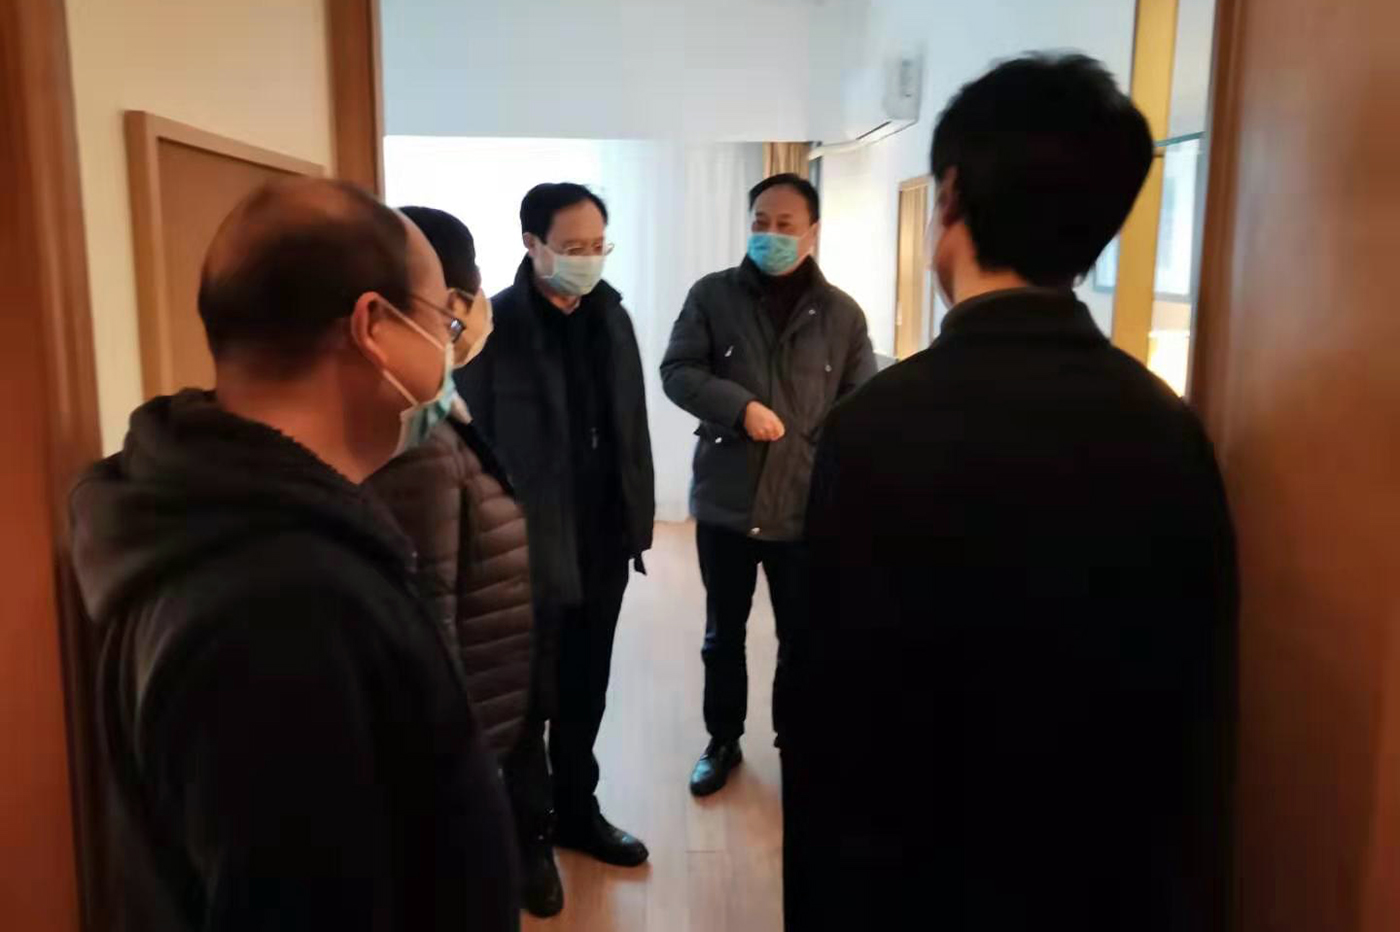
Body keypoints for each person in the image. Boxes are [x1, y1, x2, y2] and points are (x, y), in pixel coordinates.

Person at [783, 55, 1237, 930]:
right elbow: (1195, 716)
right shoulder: (1168, 429)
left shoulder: (877, 427)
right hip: (1107, 882)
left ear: (950, 195)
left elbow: (829, 709)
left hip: (916, 880)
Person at [70, 179, 518, 932]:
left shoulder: (221, 515)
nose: (448, 349)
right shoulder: (282, 609)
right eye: (441, 321)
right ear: (373, 326)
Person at [457, 182, 655, 911]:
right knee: (527, 702)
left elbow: (631, 428)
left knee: (585, 688)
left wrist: (636, 520)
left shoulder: (613, 318)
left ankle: (578, 811)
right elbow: (470, 443)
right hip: (526, 548)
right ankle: (529, 839)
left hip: (602, 540)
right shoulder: (496, 328)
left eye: (598, 246)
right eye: (572, 247)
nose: (588, 259)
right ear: (531, 245)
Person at [367, 205, 563, 918]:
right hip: (462, 735)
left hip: (491, 683)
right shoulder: (415, 435)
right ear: (452, 304)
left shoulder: (434, 404)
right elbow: (431, 619)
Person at [660, 173, 876, 797]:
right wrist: (740, 407)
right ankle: (722, 739)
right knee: (722, 634)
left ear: (812, 232)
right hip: (727, 500)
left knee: (800, 638)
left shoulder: (842, 314)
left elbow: (860, 404)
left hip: (804, 508)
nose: (770, 234)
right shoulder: (712, 295)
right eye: (760, 222)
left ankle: (795, 742)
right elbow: (678, 370)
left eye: (785, 225)